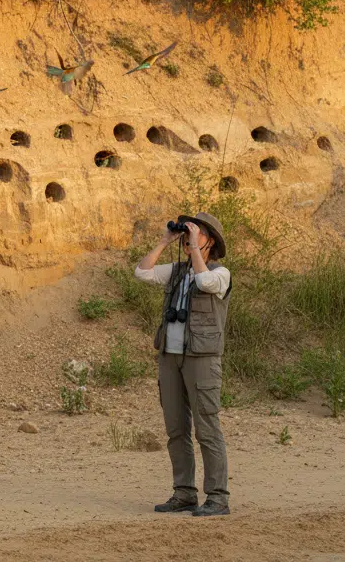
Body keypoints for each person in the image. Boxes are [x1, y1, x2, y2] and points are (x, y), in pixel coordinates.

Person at [133, 212, 232, 517]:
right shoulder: (177, 271)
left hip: (201, 359)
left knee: (207, 430)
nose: (190, 237)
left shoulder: (220, 273)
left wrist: (195, 252)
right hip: (170, 357)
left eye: (197, 233)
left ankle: (217, 497)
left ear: (210, 241)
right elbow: (142, 272)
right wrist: (166, 240)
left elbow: (204, 281)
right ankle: (184, 493)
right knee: (176, 429)